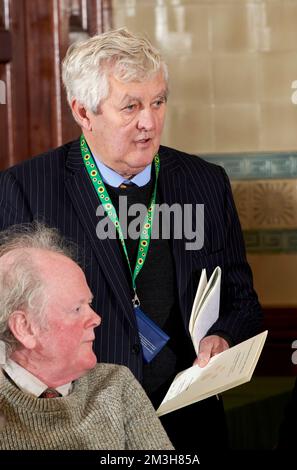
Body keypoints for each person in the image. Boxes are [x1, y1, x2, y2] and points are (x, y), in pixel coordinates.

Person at [0, 28, 262, 449]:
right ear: (84, 112)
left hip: (187, 418)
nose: (149, 121)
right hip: (82, 424)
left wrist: (224, 337)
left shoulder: (205, 183)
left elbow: (242, 301)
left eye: (158, 102)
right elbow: (10, 328)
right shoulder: (25, 189)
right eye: (131, 106)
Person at [0, 223, 173, 450]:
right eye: (77, 309)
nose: (96, 319)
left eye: (89, 304)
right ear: (25, 328)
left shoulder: (115, 384)